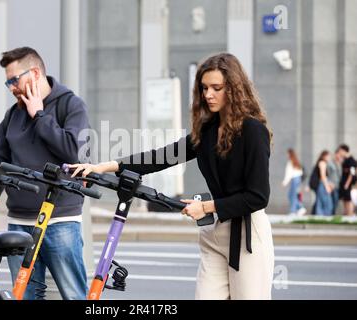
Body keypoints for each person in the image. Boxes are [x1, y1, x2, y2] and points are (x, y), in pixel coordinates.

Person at [70, 53, 274, 300]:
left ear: (234, 88)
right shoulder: (206, 131)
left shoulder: (253, 131)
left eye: (216, 88)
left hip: (247, 237)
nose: (208, 94)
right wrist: (102, 167)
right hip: (214, 233)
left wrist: (206, 206)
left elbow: (258, 197)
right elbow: (160, 157)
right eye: (204, 88)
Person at [0, 47, 90, 300]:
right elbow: (0, 161)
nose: (11, 87)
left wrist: (39, 115)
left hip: (59, 220)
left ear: (35, 73)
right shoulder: (13, 114)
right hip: (19, 221)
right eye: (8, 82)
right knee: (24, 296)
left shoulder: (71, 105)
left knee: (74, 296)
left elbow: (75, 153)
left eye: (14, 80)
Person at [282, 148, 306, 215]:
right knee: (292, 195)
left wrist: (285, 182)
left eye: (287, 153)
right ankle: (300, 208)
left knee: (292, 195)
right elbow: (301, 172)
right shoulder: (296, 162)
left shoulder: (290, 162)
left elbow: (289, 173)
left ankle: (293, 210)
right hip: (298, 179)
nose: (287, 155)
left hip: (294, 180)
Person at [337, 144, 357, 216]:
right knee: (345, 199)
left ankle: (350, 213)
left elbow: (352, 173)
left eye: (340, 151)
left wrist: (347, 183)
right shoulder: (345, 160)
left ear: (343, 150)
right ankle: (346, 213)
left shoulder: (351, 160)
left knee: (348, 199)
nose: (340, 153)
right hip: (344, 182)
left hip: (348, 184)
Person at [313, 150, 333, 216]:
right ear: (324, 156)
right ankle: (325, 216)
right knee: (326, 202)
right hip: (322, 184)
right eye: (328, 156)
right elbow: (323, 176)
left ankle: (320, 216)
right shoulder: (322, 163)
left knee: (320, 201)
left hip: (322, 184)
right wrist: (327, 186)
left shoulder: (321, 162)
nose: (329, 158)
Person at [327, 148, 343, 215]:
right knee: (332, 201)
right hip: (331, 185)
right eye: (338, 154)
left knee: (336, 201)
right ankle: (331, 214)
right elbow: (326, 174)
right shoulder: (330, 163)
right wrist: (329, 183)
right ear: (335, 154)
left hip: (338, 185)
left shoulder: (340, 164)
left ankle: (332, 214)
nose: (339, 156)